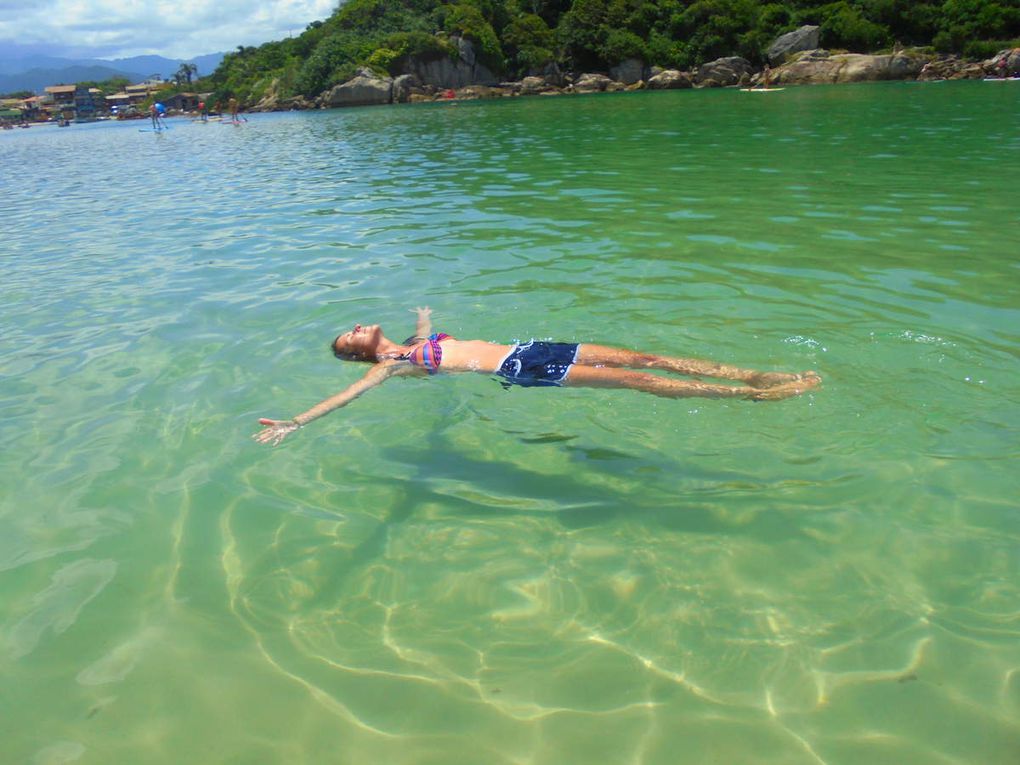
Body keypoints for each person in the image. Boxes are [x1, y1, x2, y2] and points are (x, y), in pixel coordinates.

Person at [253, 308, 821, 446]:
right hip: (517, 367)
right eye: (348, 337)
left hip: (531, 346)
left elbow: (427, 327)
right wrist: (299, 421)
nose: (354, 328)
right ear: (359, 354)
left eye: (351, 327)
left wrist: (424, 314)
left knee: (643, 359)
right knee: (636, 382)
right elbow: (351, 393)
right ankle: (748, 397)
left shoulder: (417, 340)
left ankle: (756, 374)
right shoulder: (391, 364)